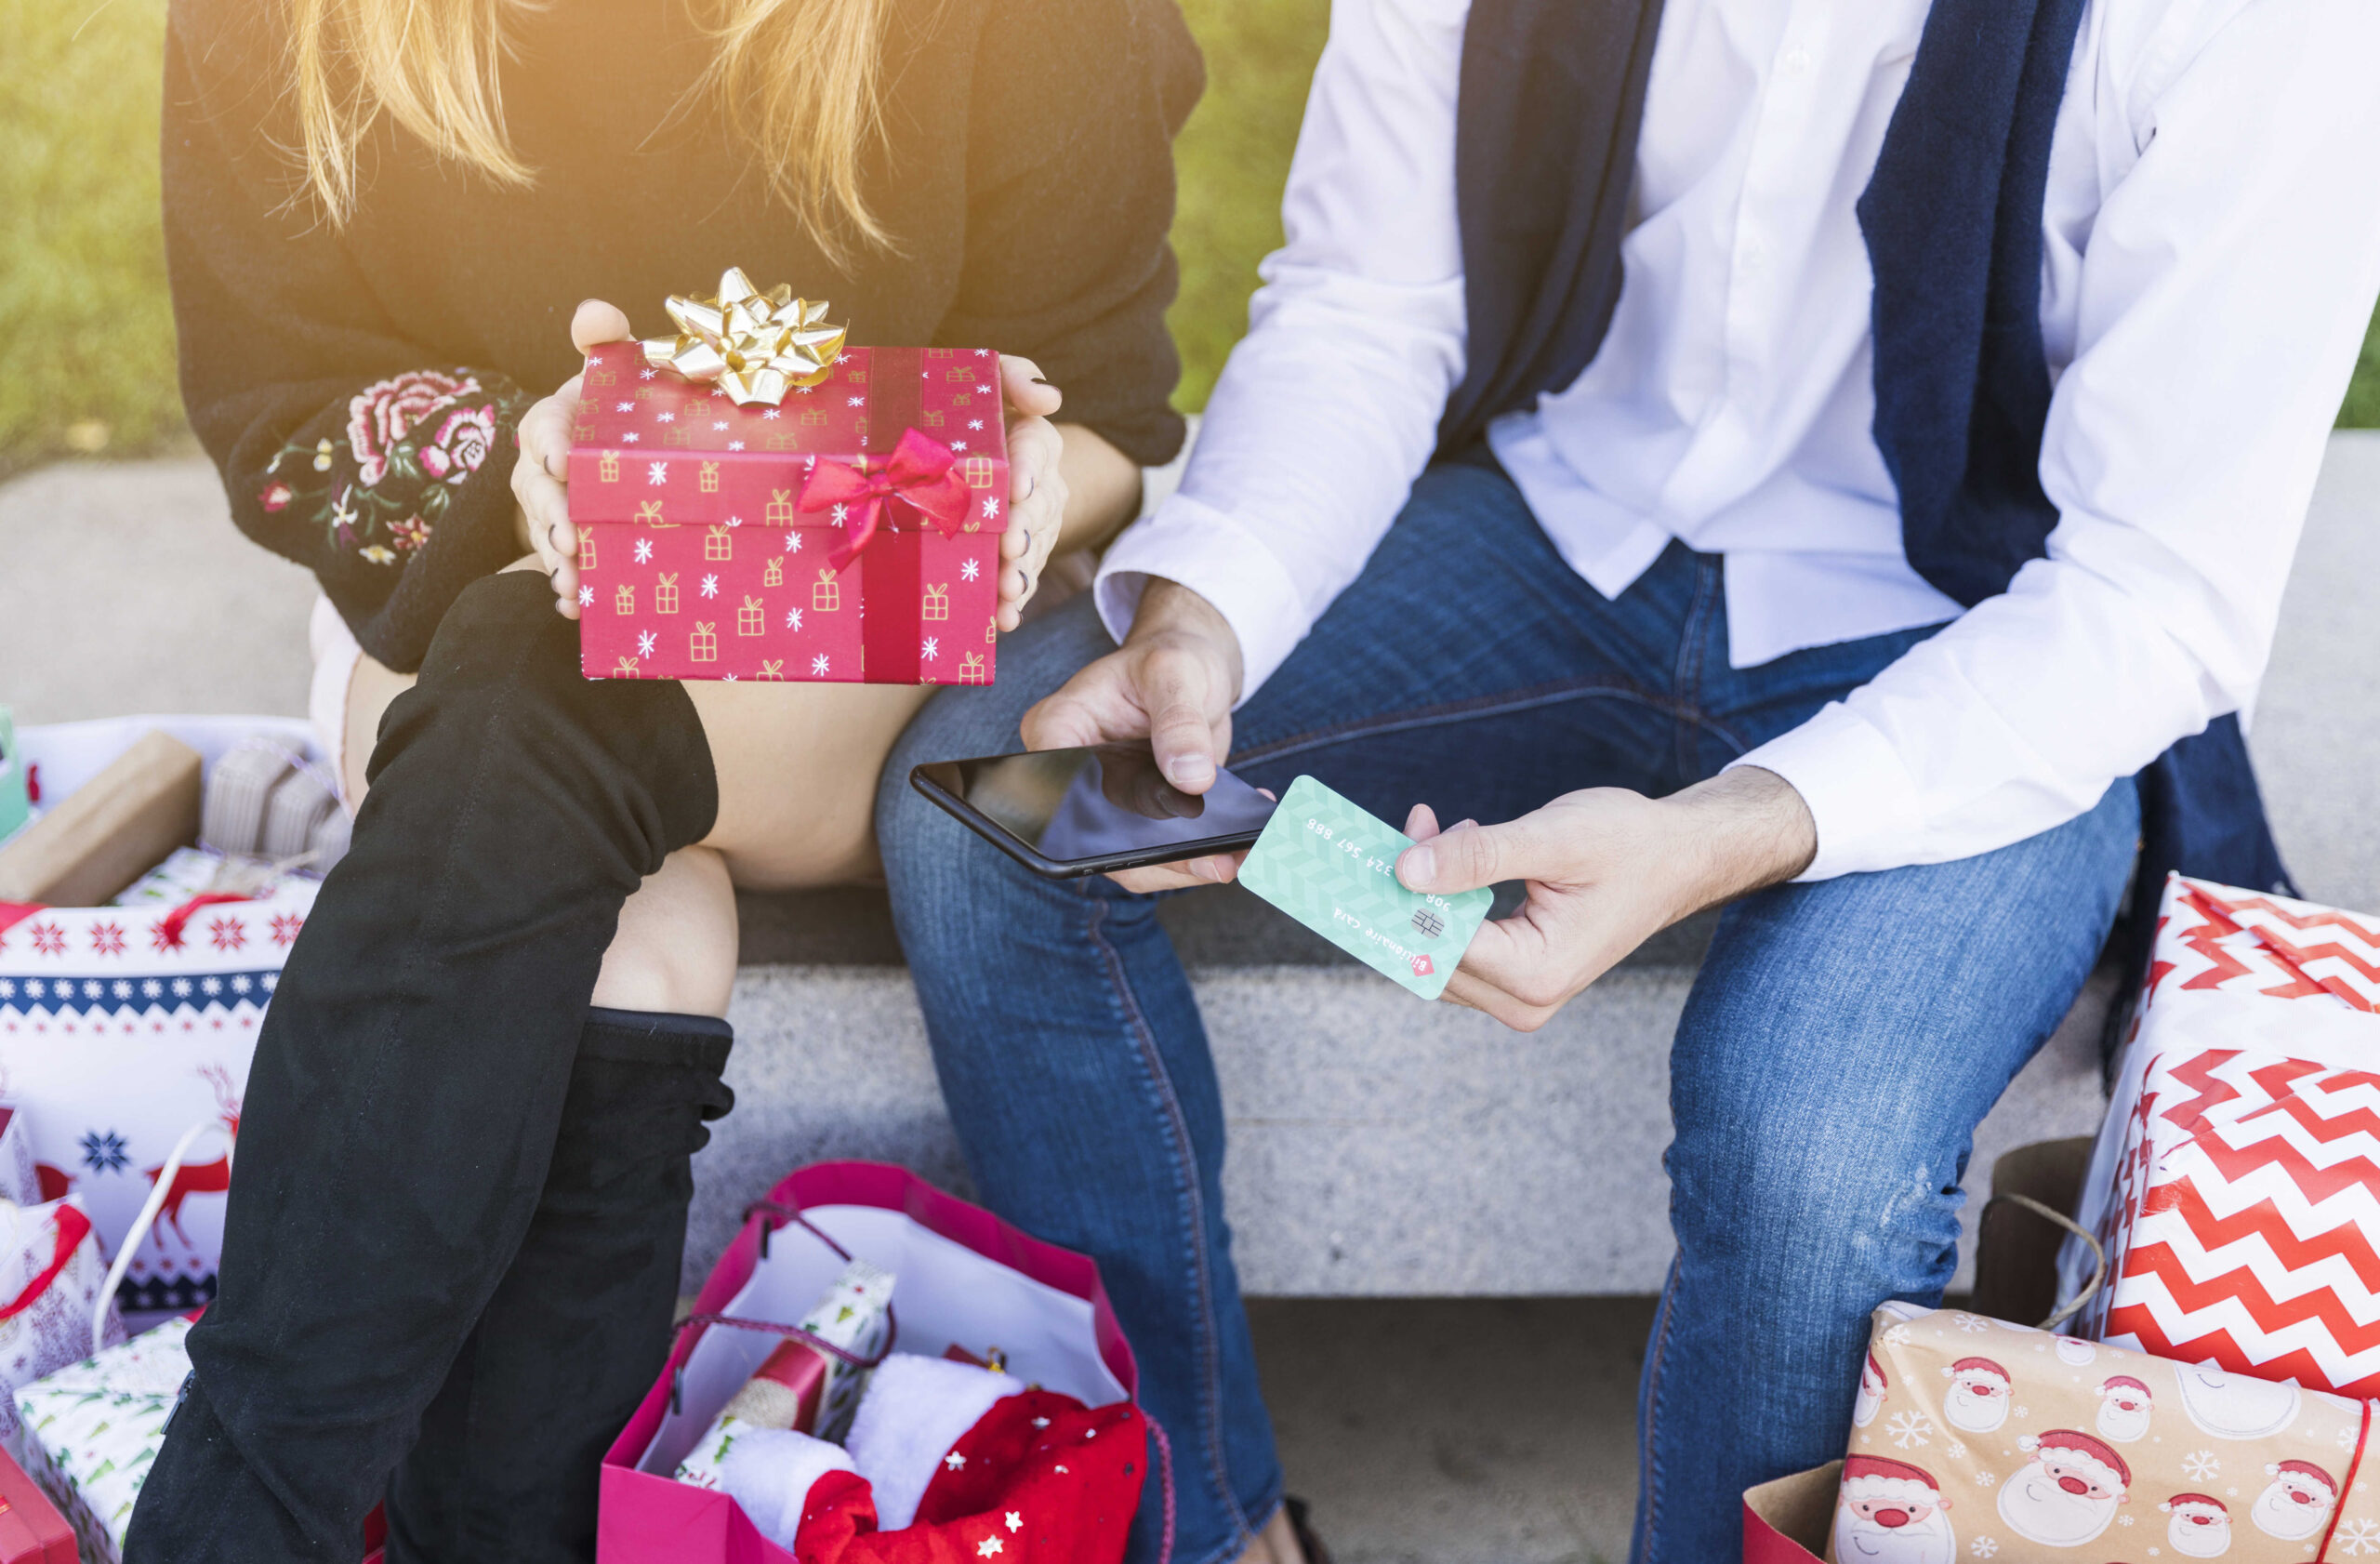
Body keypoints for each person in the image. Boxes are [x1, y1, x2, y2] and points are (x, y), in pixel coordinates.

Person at [875, 0, 2380, 1560]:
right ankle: (1201, 1523)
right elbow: (1371, 303)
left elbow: (2151, 595)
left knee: (1806, 1151)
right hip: (1573, 517)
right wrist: (1206, 613)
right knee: (993, 793)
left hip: (1980, 633)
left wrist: (1717, 836)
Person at [127, 0, 1208, 1557]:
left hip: (856, 651)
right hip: (474, 578)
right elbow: (277, 404)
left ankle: (228, 1521)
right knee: (634, 933)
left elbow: (1105, 397)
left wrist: (1017, 471)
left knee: (539, 685)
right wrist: (524, 465)